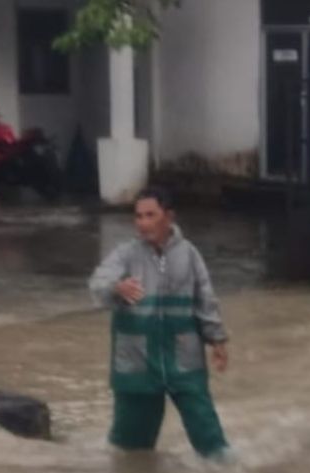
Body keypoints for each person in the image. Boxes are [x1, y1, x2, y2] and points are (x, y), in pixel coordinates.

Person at [88, 186, 232, 459]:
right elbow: (97, 284)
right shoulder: (126, 254)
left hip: (183, 361)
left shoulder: (189, 254)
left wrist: (217, 340)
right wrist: (117, 288)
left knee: (212, 442)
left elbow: (206, 299)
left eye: (150, 215)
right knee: (129, 452)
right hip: (137, 363)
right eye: (138, 216)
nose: (142, 223)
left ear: (169, 217)